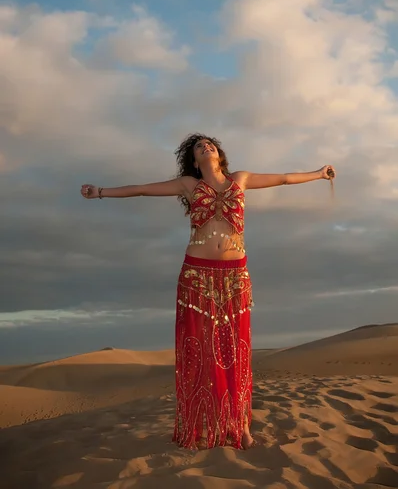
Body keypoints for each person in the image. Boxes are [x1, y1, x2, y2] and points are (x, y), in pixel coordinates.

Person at [81, 133, 336, 450]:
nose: (206, 147)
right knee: (200, 351)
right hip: (196, 276)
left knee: (236, 350)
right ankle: (201, 422)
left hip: (235, 276)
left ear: (219, 154)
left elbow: (283, 179)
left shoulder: (239, 179)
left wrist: (318, 173)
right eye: (199, 146)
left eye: (210, 144)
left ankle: (240, 425)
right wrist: (101, 192)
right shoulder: (189, 185)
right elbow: (143, 189)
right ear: (193, 159)